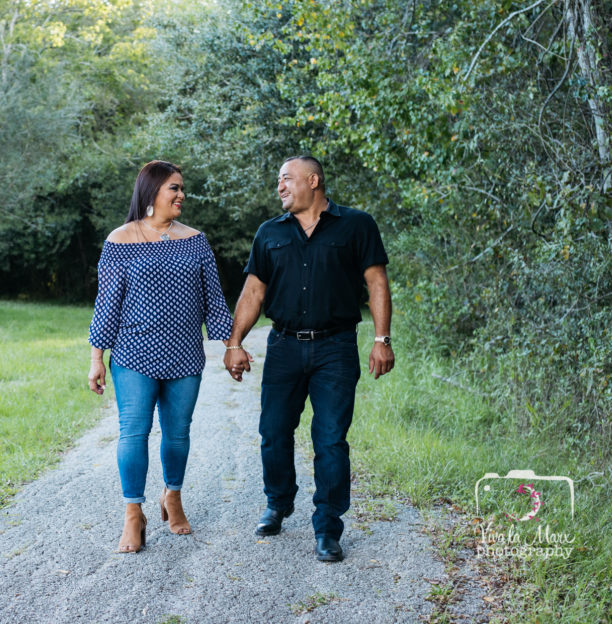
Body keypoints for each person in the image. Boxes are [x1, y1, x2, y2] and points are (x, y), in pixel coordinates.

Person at [223, 155, 395, 562]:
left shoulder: (357, 225)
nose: (279, 187)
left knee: (331, 439)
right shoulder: (269, 234)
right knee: (274, 431)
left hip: (335, 347)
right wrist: (234, 342)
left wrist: (381, 338)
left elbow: (377, 282)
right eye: (278, 181)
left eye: (286, 179)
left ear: (313, 180)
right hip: (283, 346)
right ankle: (278, 502)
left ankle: (328, 527)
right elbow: (253, 293)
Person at [88, 160, 234, 553]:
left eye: (182, 188)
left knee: (178, 433)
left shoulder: (195, 240)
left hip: (185, 355)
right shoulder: (120, 240)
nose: (181, 194)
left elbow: (214, 300)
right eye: (174, 188)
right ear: (152, 191)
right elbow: (107, 304)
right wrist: (96, 357)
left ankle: (172, 497)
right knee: (133, 432)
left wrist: (231, 346)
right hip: (133, 354)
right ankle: (133, 514)